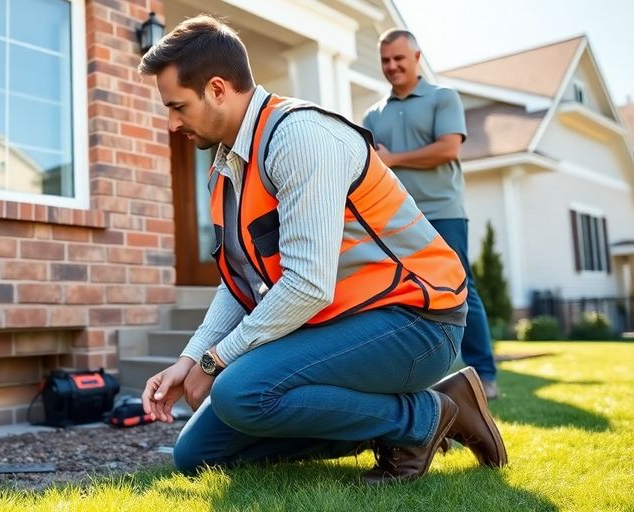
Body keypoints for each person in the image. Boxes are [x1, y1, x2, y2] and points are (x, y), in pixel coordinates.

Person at [137, 15, 507, 484]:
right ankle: (417, 412)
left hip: (418, 323)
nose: (172, 124)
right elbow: (242, 280)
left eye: (177, 107)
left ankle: (422, 420)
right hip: (342, 326)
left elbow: (308, 285)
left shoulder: (300, 138)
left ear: (216, 89)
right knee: (196, 454)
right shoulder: (229, 162)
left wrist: (217, 360)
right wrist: (189, 359)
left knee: (239, 392)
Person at [363, 30, 500, 400]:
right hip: (394, 219)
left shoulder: (443, 98)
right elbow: (373, 167)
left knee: (461, 288)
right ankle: (409, 377)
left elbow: (449, 149)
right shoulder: (373, 114)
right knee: (398, 294)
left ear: (417, 57)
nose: (392, 66)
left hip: (443, 212)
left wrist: (394, 159)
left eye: (399, 59)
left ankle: (484, 376)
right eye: (385, 61)